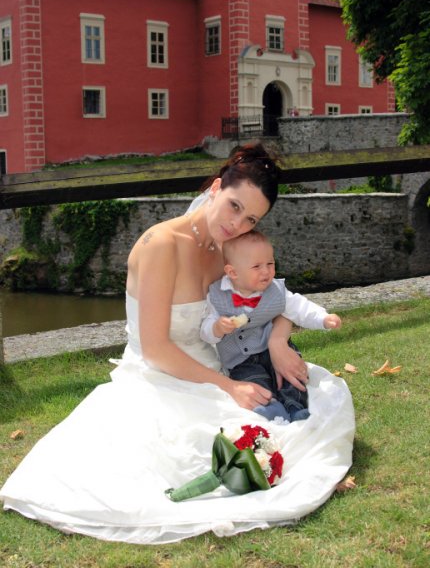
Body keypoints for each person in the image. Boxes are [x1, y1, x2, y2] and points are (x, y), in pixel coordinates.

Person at [0, 144, 355, 545]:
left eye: (251, 219)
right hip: (161, 376)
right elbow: (155, 349)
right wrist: (229, 387)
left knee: (312, 401)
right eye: (234, 206)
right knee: (216, 445)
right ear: (216, 188)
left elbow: (274, 297)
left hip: (220, 365)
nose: (237, 224)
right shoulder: (161, 245)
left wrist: (277, 341)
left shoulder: (228, 248)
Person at [201, 230, 342, 422]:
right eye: (257, 266)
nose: (266, 271)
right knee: (254, 383)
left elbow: (300, 307)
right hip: (241, 360)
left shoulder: (276, 290)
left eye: (270, 263)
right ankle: (270, 409)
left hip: (271, 350)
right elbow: (205, 330)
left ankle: (296, 408)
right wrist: (217, 328)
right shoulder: (217, 296)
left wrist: (323, 318)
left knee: (291, 379)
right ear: (233, 272)